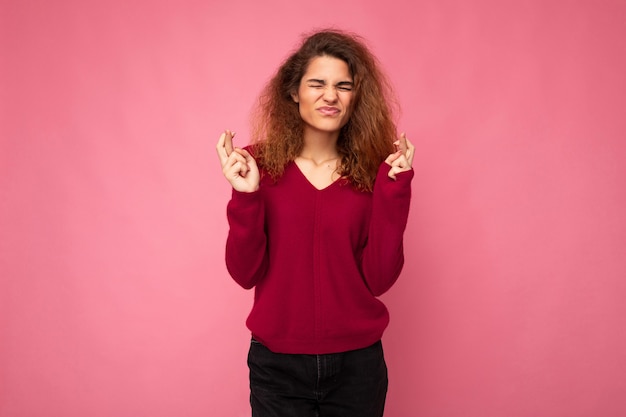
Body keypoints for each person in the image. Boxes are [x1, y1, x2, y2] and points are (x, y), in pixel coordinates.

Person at [216, 29, 414, 417]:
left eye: (343, 85)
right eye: (317, 83)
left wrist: (394, 192)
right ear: (293, 92)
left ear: (356, 97)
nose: (330, 96)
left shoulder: (377, 172)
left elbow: (380, 278)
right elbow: (244, 272)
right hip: (277, 365)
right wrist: (247, 195)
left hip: (358, 366)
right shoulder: (257, 164)